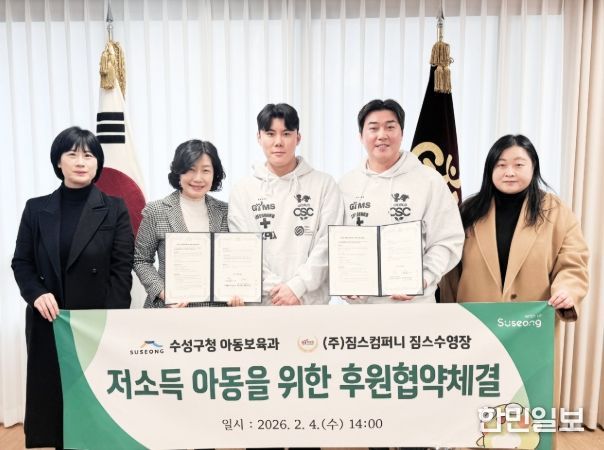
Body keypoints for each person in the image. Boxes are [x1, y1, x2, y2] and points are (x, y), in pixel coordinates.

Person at [12, 126, 134, 449]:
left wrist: (108, 321)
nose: (81, 162)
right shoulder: (36, 209)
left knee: (96, 406)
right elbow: (22, 262)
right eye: (72, 154)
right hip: (51, 321)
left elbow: (122, 269)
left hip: (96, 324)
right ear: (58, 161)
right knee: (56, 407)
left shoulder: (115, 208)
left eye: (89, 155)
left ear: (98, 163)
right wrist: (36, 294)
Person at [439, 133, 589, 314]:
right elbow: (451, 270)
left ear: (533, 166)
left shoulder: (556, 211)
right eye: (501, 165)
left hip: (532, 320)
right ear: (490, 169)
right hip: (475, 319)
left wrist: (566, 290)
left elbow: (573, 262)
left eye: (519, 165)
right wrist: (448, 312)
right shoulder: (469, 210)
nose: (509, 172)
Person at [339, 99, 464, 305]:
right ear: (361, 136)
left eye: (390, 127)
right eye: (373, 128)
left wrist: (424, 278)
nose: (382, 135)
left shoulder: (429, 181)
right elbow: (337, 245)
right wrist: (346, 281)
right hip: (363, 309)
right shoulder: (347, 185)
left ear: (402, 133)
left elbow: (448, 240)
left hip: (415, 306)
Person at [228, 102, 343, 306]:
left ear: (298, 137)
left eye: (287, 133)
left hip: (309, 303)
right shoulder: (242, 190)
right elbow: (243, 250)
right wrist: (279, 291)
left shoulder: (324, 184)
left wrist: (297, 288)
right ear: (259, 137)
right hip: (262, 305)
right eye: (270, 134)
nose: (278, 142)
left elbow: (328, 244)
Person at [134, 139, 238, 308]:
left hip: (216, 312)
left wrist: (238, 290)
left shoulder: (227, 212)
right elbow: (141, 260)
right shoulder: (156, 210)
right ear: (178, 172)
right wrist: (163, 292)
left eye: (206, 170)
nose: (198, 178)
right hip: (169, 310)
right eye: (190, 169)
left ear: (215, 174)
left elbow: (235, 261)